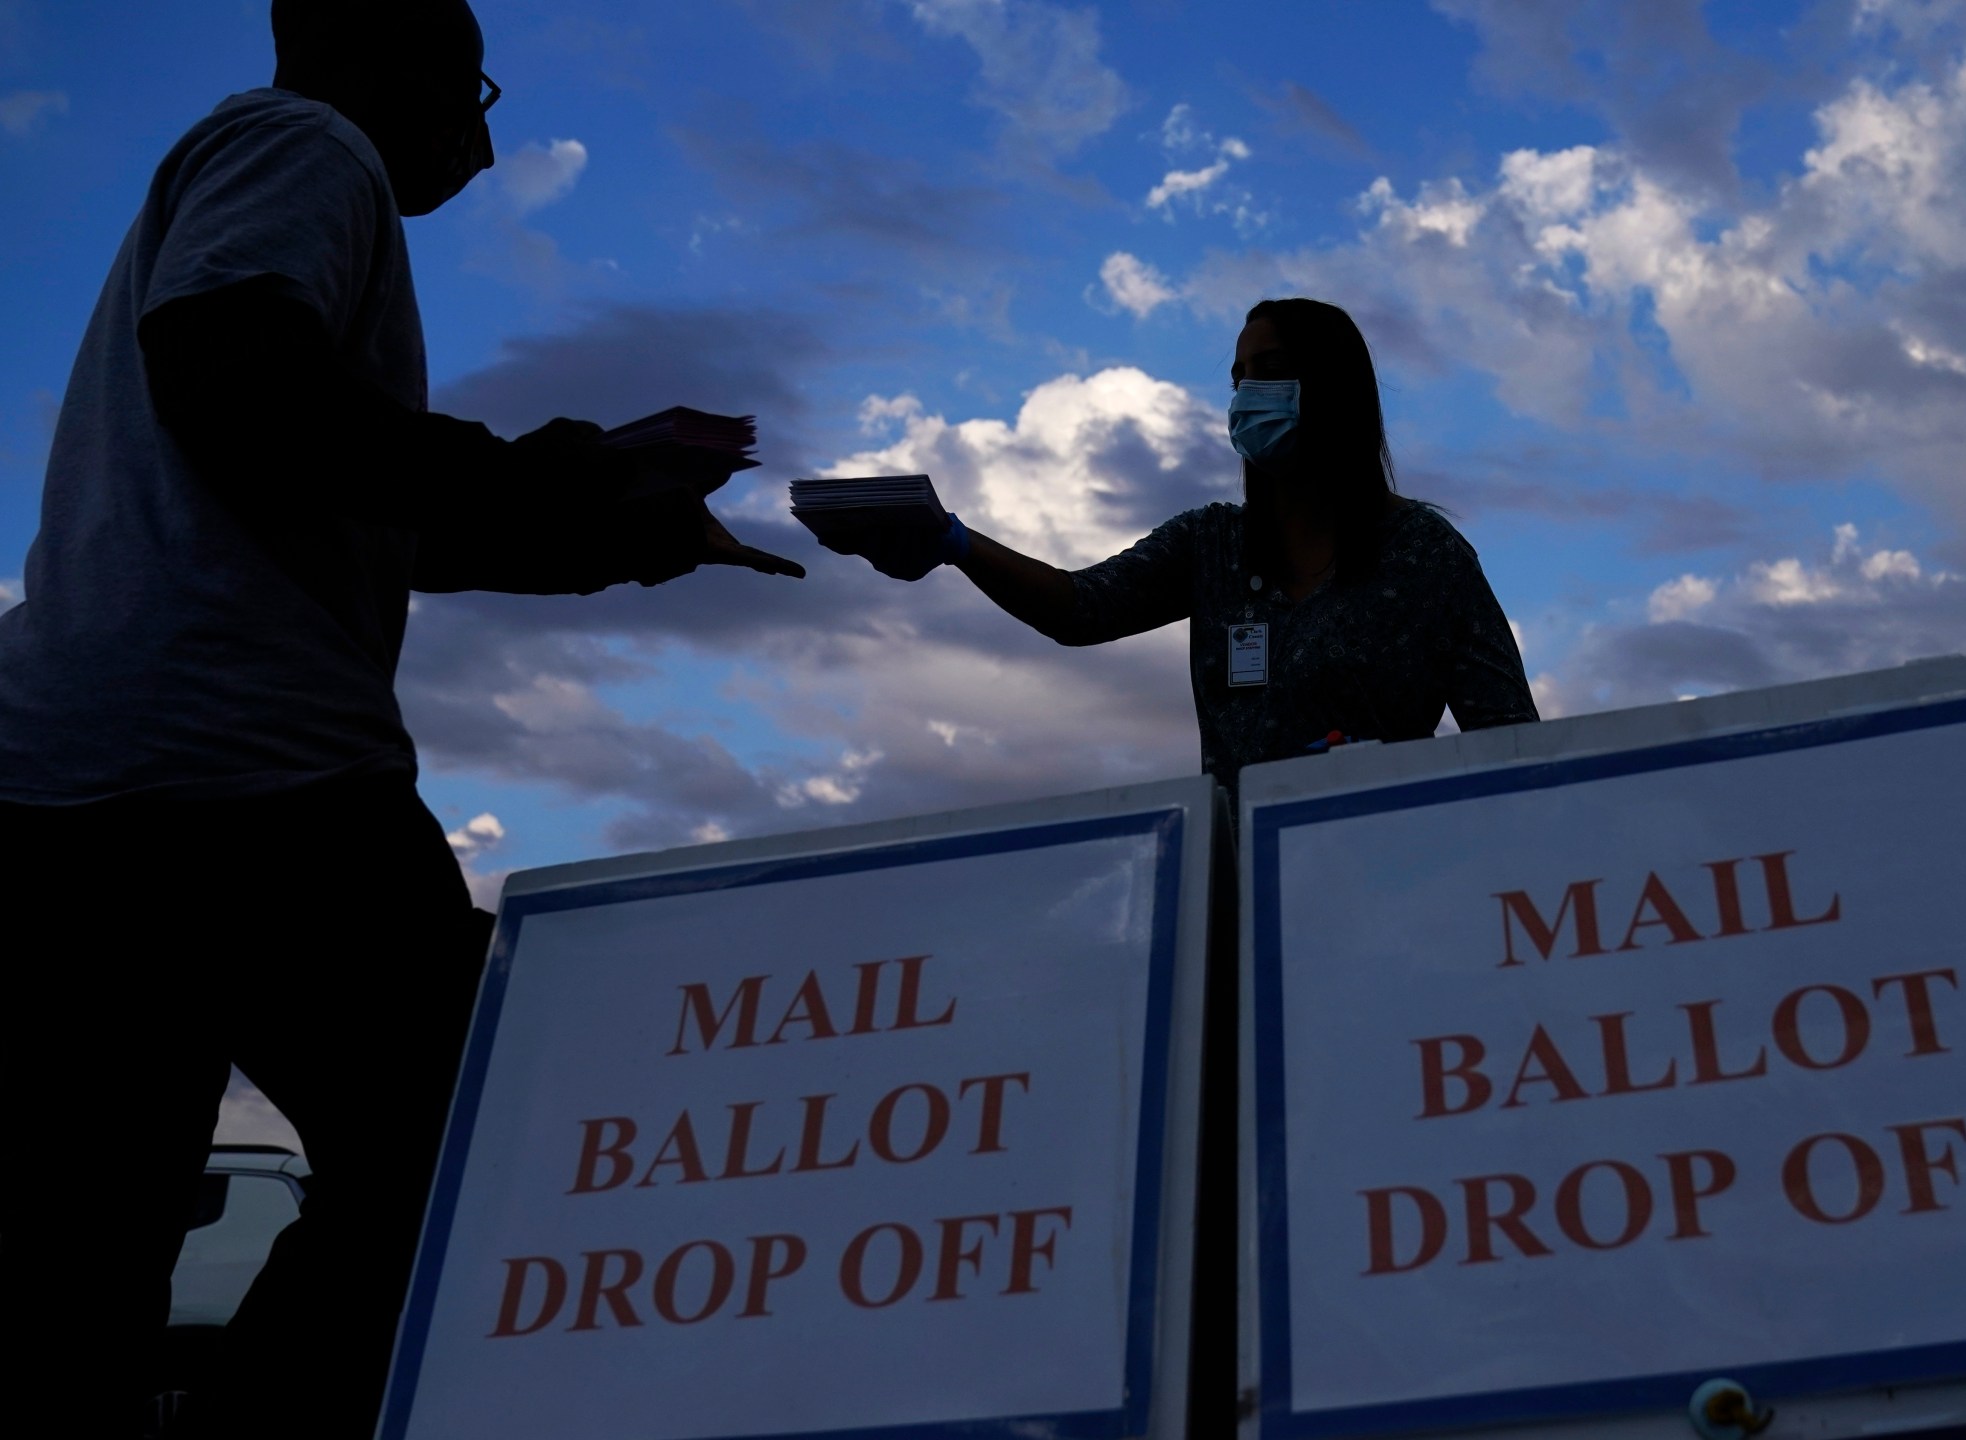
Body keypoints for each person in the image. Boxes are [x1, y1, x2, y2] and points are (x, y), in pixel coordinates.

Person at [0, 3, 801, 1434]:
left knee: (81, 1242)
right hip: (250, 780)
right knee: (470, 1151)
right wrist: (562, 477)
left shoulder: (267, 187)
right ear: (387, 55)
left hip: (74, 790)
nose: (487, 143)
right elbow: (238, 384)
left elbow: (360, 504)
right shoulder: (300, 142)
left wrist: (616, 531)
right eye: (474, 91)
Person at [849, 297, 1538, 785]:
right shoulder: (1211, 544)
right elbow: (1081, 607)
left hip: (1384, 887)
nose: (1244, 394)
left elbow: (1510, 742)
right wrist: (955, 542)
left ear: (1332, 385)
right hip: (1232, 893)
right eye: (1237, 378)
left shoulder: (1424, 552)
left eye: (1267, 370)